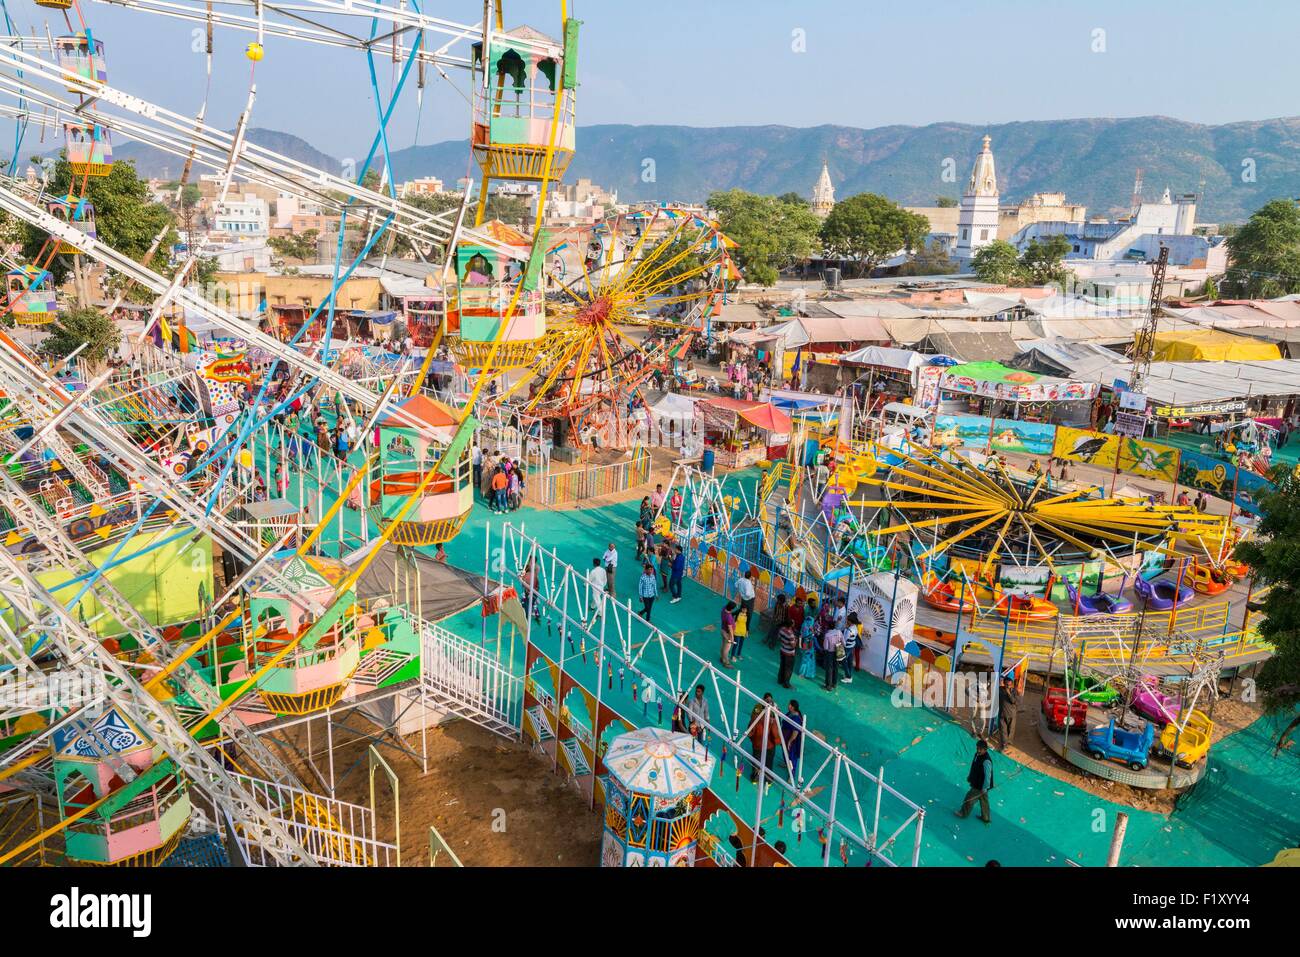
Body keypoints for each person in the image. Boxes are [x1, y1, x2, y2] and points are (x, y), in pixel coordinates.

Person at [956, 739, 994, 825]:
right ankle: (986, 817)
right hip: (978, 782)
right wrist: (970, 777)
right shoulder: (977, 755)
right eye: (977, 748)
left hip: (980, 785)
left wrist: (985, 787)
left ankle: (963, 813)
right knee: (984, 800)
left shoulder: (986, 761)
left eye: (981, 749)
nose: (978, 750)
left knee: (969, 798)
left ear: (985, 750)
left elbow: (988, 776)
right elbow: (974, 767)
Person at [748, 694, 783, 783]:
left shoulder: (756, 715)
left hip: (757, 744)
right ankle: (768, 780)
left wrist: (753, 739)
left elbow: (750, 730)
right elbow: (775, 733)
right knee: (768, 762)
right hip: (769, 745)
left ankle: (755, 778)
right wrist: (777, 742)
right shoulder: (773, 719)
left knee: (756, 761)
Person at [782, 700, 805, 781]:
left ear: (793, 707)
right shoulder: (790, 713)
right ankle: (786, 764)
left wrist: (790, 741)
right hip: (785, 737)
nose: (788, 706)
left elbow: (795, 733)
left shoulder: (796, 718)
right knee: (785, 752)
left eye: (790, 705)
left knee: (792, 757)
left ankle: (791, 774)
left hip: (792, 741)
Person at [996, 674, 1019, 749]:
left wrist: (1008, 693)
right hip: (1002, 714)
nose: (1007, 686)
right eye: (1006, 684)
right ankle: (1004, 744)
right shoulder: (1000, 689)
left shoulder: (1014, 692)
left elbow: (1014, 701)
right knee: (1003, 730)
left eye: (1009, 685)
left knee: (1010, 730)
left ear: (1011, 684)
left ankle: (1008, 742)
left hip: (1011, 715)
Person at [585, 558, 607, 627]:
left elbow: (589, 579)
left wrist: (585, 584)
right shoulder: (603, 570)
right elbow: (605, 579)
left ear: (594, 563)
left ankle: (601, 613)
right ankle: (592, 607)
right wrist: (603, 585)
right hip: (601, 586)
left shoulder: (593, 571)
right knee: (596, 598)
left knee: (597, 600)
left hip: (595, 587)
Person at [777, 621, 797, 688]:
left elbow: (779, 638)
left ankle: (780, 680)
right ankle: (786, 683)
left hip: (782, 650)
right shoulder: (790, 634)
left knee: (782, 665)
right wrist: (796, 641)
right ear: (791, 625)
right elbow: (793, 645)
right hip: (789, 653)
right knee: (788, 669)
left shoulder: (782, 629)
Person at [822, 626, 843, 690]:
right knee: (836, 667)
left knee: (829, 668)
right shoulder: (839, 632)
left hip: (830, 653)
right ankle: (834, 683)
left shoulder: (827, 635)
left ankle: (828, 685)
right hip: (838, 650)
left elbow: (826, 647)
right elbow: (844, 643)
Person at [736, 568, 757, 632]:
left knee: (741, 610)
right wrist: (750, 594)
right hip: (749, 600)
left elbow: (736, 585)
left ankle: (736, 622)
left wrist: (741, 592)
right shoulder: (748, 583)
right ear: (750, 576)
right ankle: (746, 629)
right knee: (749, 614)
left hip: (743, 599)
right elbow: (747, 594)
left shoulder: (741, 579)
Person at [841, 611, 860, 683]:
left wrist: (845, 629)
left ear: (850, 621)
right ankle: (849, 675)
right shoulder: (855, 627)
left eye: (847, 620)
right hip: (852, 646)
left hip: (847, 647)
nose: (846, 621)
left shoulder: (849, 630)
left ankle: (848, 676)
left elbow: (844, 640)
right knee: (849, 661)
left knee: (843, 660)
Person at [719, 601, 737, 668]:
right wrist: (732, 638)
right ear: (731, 609)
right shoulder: (728, 617)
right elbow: (730, 628)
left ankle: (722, 658)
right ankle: (726, 662)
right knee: (726, 649)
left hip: (723, 630)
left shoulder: (724, 609)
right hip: (727, 633)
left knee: (723, 645)